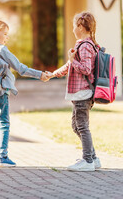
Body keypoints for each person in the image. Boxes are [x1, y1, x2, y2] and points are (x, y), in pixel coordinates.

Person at [0, 18, 50, 168]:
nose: (7, 37)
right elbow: (20, 68)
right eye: (5, 34)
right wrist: (40, 74)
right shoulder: (1, 50)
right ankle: (3, 157)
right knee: (4, 123)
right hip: (0, 91)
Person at [47, 11, 101, 171]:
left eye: (74, 26)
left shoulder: (85, 46)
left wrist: (72, 61)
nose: (72, 29)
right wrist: (53, 74)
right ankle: (93, 158)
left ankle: (88, 161)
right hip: (80, 93)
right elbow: (70, 66)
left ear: (80, 26)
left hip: (83, 92)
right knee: (76, 126)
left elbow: (85, 69)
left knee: (82, 126)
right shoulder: (83, 44)